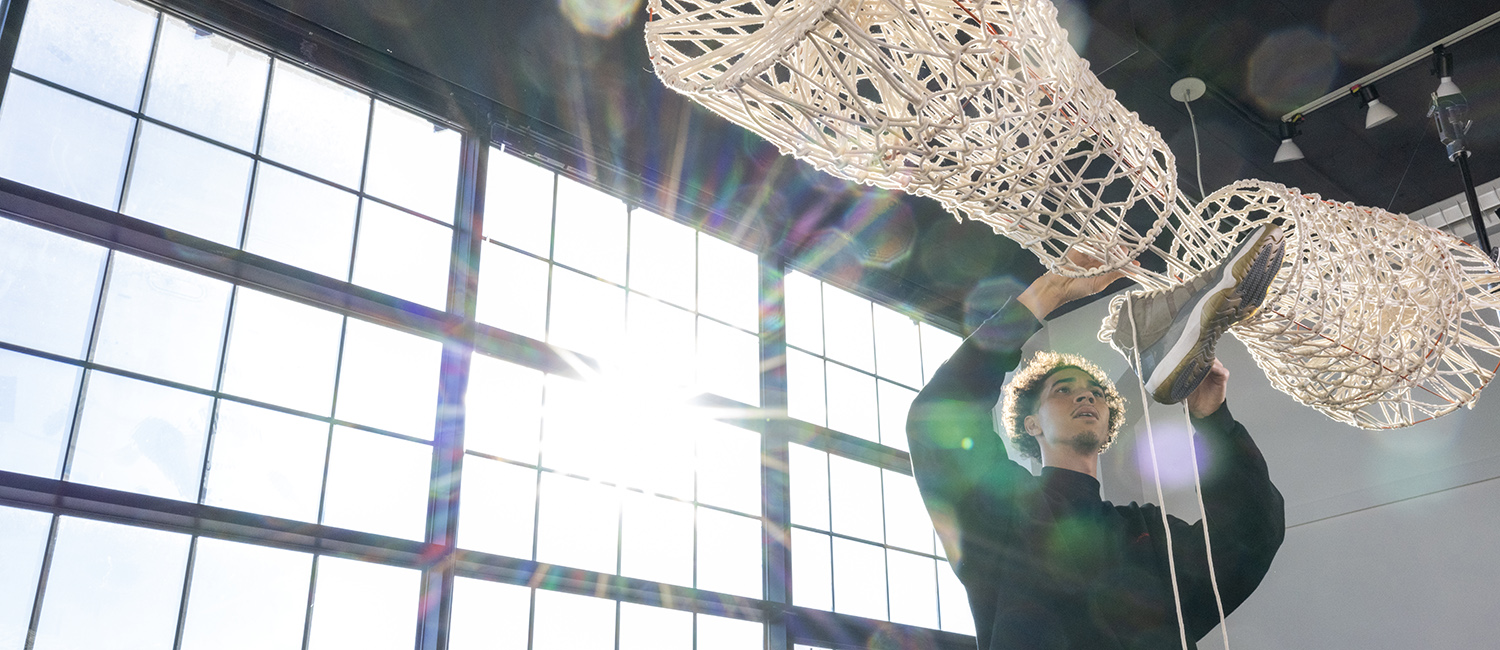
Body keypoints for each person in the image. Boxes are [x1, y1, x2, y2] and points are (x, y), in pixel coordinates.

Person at [906, 230, 1287, 649]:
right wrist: (1050, 291)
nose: (1086, 396)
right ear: (1031, 424)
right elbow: (937, 415)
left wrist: (1213, 418)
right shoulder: (1002, 513)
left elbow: (1254, 533)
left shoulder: (1147, 533)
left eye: (1096, 393)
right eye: (1063, 389)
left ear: (1108, 427)